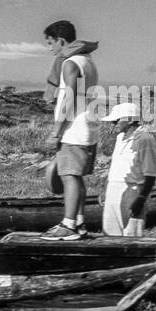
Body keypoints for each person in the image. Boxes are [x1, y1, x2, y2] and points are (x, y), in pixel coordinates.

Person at [39, 20, 99, 239]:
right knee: (76, 177)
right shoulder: (87, 60)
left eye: (50, 43)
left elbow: (69, 100)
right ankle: (79, 223)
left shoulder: (70, 63)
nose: (50, 48)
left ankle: (69, 225)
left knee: (69, 177)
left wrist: (56, 132)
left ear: (61, 40)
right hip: (87, 127)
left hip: (74, 129)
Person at [100, 102, 156, 237]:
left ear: (129, 120)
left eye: (117, 120)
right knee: (110, 235)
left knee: (131, 235)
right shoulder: (119, 138)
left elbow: (151, 173)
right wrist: (106, 189)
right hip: (113, 190)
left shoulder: (145, 139)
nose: (113, 123)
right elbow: (115, 166)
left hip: (132, 191)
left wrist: (140, 199)